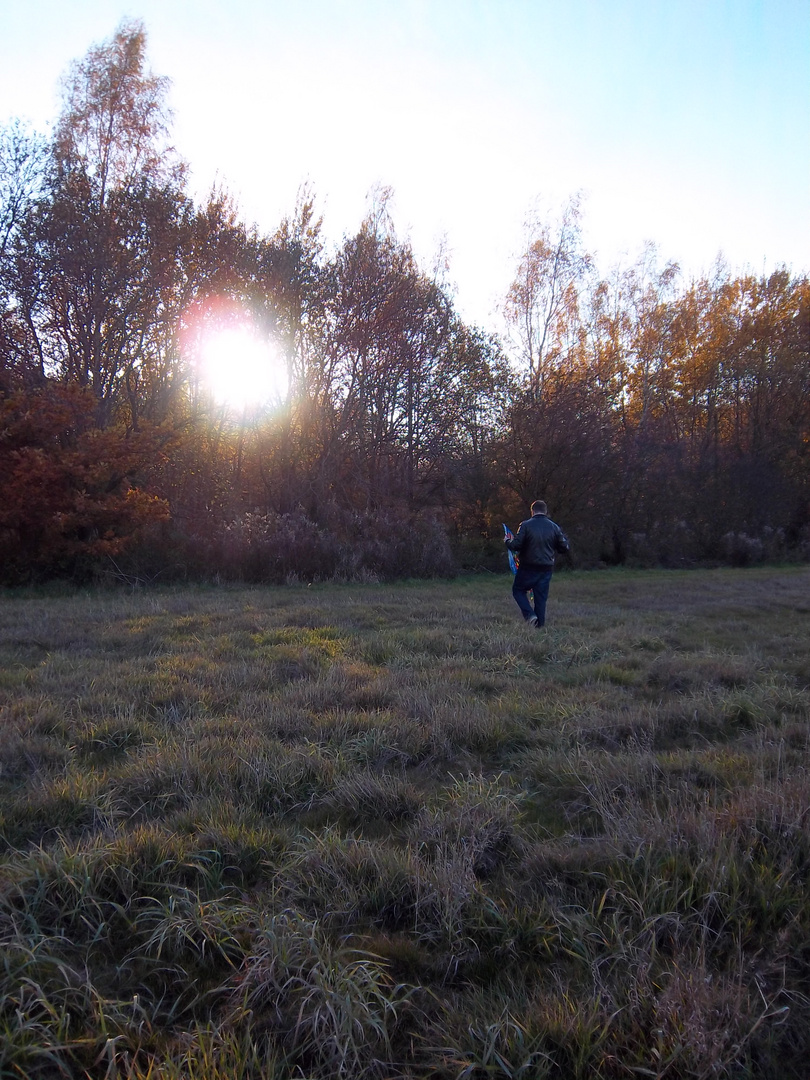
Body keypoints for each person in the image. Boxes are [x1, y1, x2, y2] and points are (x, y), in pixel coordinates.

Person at [504, 500, 570, 627]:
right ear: (546, 511)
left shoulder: (525, 525)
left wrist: (507, 541)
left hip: (528, 566)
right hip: (546, 568)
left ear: (532, 511)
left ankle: (530, 615)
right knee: (541, 598)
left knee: (518, 590)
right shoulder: (554, 527)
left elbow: (516, 545)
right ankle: (539, 626)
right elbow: (564, 548)